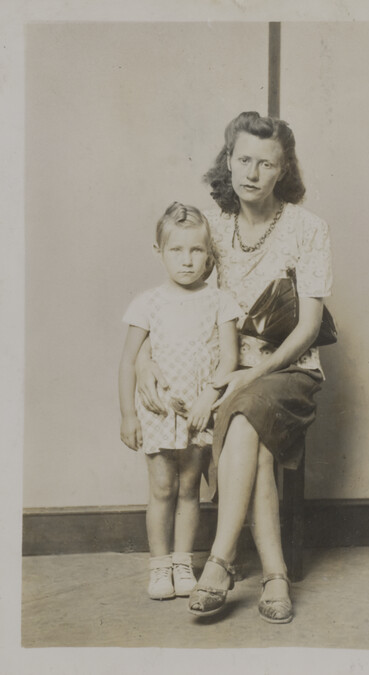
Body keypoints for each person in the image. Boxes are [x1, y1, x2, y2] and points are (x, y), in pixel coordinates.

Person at [136, 111, 333, 623]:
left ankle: (219, 561)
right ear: (229, 161)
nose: (252, 173)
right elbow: (171, 302)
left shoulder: (308, 228)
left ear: (283, 169)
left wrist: (250, 376)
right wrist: (143, 363)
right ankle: (275, 577)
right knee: (257, 443)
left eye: (265, 164)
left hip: (288, 370)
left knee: (246, 414)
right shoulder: (213, 225)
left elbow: (309, 327)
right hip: (221, 370)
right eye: (243, 159)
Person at [119, 202, 240, 601]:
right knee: (161, 488)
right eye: (177, 250)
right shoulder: (148, 302)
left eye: (196, 251)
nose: (187, 261)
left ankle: (183, 561)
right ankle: (159, 566)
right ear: (159, 251)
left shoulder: (220, 300)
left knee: (190, 487)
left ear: (208, 254)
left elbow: (229, 357)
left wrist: (210, 395)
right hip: (159, 411)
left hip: (199, 412)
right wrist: (127, 416)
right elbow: (128, 361)